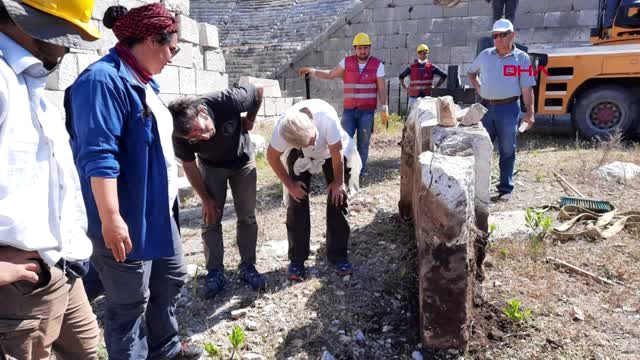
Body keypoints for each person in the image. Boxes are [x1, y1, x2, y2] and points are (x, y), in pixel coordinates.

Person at [65, 4, 201, 359]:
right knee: (128, 304)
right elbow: (99, 155)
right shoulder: (101, 82)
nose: (173, 57)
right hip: (124, 216)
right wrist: (111, 218)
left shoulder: (142, 80)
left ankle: (166, 351)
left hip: (156, 210)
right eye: (173, 47)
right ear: (152, 41)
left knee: (169, 280)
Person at [0, 0, 102, 358]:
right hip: (17, 287)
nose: (69, 44)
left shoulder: (27, 81)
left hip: (61, 267)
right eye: (68, 32)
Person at [168, 84, 265, 299]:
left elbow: (258, 91)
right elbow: (189, 165)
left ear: (202, 112)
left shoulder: (228, 100)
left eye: (202, 130)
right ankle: (214, 272)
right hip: (211, 168)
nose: (202, 137)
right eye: (194, 138)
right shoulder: (178, 132)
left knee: (247, 216)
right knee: (211, 218)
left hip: (243, 162)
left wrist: (250, 119)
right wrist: (205, 198)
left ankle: (248, 267)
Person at [266, 99, 361, 280]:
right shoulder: (283, 129)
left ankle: (338, 255)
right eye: (306, 144)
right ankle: (297, 259)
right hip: (300, 156)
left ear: (312, 124)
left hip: (331, 153)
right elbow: (272, 157)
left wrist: (338, 183)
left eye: (312, 140)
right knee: (296, 201)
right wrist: (290, 185)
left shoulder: (326, 118)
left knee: (338, 198)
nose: (311, 145)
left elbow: (337, 152)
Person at [297, 32, 388, 175]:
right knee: (344, 141)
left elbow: (382, 88)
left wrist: (384, 107)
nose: (362, 51)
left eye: (365, 48)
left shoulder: (378, 65)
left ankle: (359, 172)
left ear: (369, 48)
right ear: (355, 48)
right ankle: (345, 170)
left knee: (363, 143)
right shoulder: (346, 62)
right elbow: (330, 74)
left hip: (367, 112)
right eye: (359, 48)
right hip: (349, 111)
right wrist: (312, 71)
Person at [467, 19, 536, 202]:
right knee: (482, 148)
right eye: (495, 35)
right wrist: (479, 88)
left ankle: (505, 188)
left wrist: (530, 114)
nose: (497, 39)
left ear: (513, 35)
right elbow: (471, 72)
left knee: (507, 149)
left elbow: (527, 88)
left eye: (502, 35)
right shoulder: (485, 55)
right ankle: (479, 187)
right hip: (487, 108)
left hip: (509, 108)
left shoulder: (521, 58)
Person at [399, 44, 447, 110]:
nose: (422, 55)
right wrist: (405, 88)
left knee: (426, 117)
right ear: (418, 54)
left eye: (425, 53)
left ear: (427, 54)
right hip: (413, 97)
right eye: (420, 53)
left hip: (426, 97)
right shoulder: (412, 67)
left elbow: (444, 75)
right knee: (410, 117)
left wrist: (435, 87)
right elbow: (401, 76)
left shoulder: (431, 67)